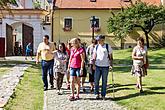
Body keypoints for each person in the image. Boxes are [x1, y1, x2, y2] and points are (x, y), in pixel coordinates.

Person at [93, 34, 113, 100]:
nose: (98, 41)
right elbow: (94, 56)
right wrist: (93, 64)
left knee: (104, 81)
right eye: (97, 40)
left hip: (105, 66)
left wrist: (111, 64)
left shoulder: (107, 46)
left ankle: (103, 95)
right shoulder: (96, 47)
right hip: (97, 66)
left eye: (99, 40)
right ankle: (96, 94)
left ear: (103, 40)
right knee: (96, 81)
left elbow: (111, 57)